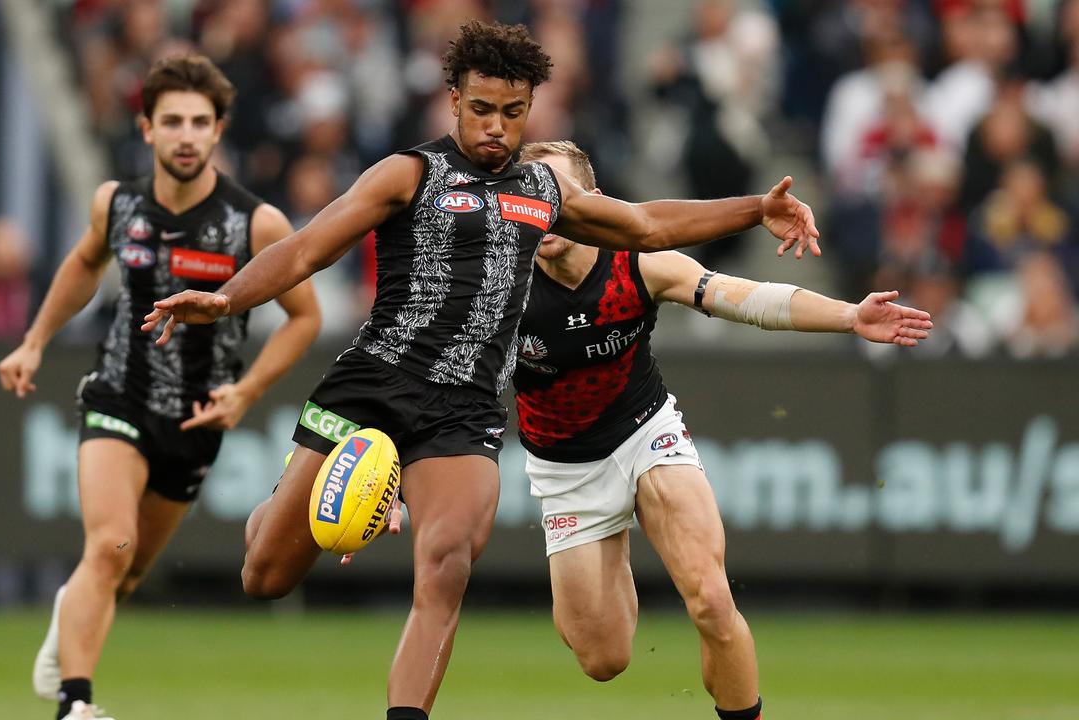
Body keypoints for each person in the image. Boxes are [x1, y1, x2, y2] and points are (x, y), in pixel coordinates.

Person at [141, 21, 819, 720]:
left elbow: (645, 224)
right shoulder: (410, 173)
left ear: (530, 110)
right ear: (454, 99)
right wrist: (226, 298)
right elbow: (311, 246)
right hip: (372, 386)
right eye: (482, 109)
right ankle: (284, 502)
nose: (497, 127)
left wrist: (752, 209)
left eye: (514, 112)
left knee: (447, 566)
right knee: (265, 577)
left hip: (462, 412)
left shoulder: (543, 192)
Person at [512, 140, 933, 720]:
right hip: (565, 468)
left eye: (562, 195)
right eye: (533, 196)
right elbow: (433, 375)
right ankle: (612, 543)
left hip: (645, 433)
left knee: (711, 599)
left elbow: (744, 298)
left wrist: (848, 316)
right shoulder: (498, 285)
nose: (548, 208)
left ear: (596, 203)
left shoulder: (638, 261)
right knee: (602, 658)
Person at [0, 55, 320, 720]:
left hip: (198, 420)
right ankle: (75, 704)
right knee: (109, 544)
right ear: (145, 128)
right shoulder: (117, 204)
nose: (186, 135)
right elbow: (86, 263)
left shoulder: (255, 224)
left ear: (219, 131)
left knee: (129, 571)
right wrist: (34, 340)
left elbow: (305, 316)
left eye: (200, 122)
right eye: (171, 120)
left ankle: (72, 614)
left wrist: (249, 390)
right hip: (119, 395)